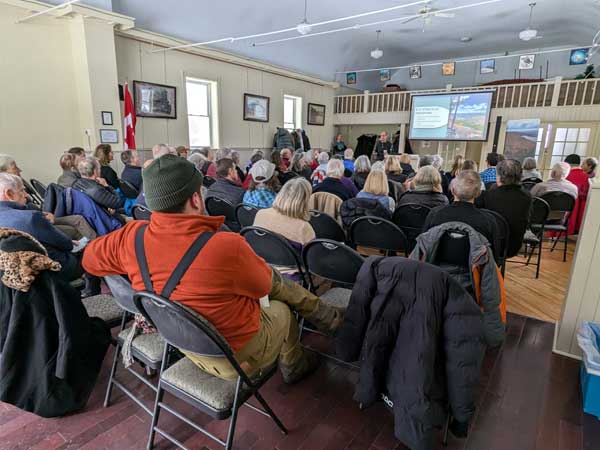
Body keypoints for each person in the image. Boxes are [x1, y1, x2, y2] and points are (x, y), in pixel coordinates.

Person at [82, 155, 342, 384]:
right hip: (236, 360)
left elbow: (89, 260)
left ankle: (327, 320)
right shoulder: (224, 245)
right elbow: (264, 288)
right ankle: (297, 362)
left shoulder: (131, 237)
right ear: (196, 198)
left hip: (184, 345)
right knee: (281, 303)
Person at [0, 173, 81, 281]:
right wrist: (69, 242)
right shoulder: (31, 217)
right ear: (9, 194)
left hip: (15, 280)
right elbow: (67, 245)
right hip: (54, 270)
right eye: (22, 190)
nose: (26, 195)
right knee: (96, 252)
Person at [423, 170, 497, 249]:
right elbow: (493, 255)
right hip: (474, 261)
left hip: (434, 261)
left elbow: (423, 244)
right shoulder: (488, 221)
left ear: (452, 190)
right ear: (478, 193)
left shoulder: (435, 214)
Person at [476, 159, 532, 258]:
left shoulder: (487, 195)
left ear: (499, 176)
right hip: (514, 245)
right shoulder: (527, 197)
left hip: (489, 245)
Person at [253, 177, 315, 245]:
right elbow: (312, 254)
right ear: (305, 200)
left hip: (260, 254)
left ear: (281, 193)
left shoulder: (260, 214)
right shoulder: (303, 228)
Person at [565, 154, 591, 235]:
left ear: (567, 164)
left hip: (566, 205)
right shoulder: (586, 177)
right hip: (580, 207)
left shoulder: (565, 175)